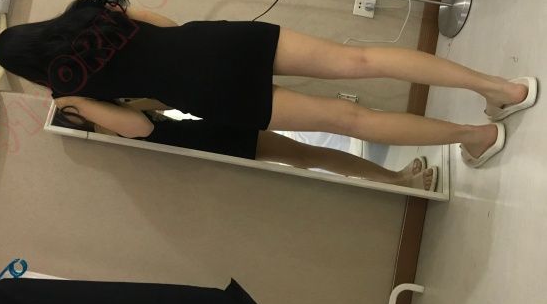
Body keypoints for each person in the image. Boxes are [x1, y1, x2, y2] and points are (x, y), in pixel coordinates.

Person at [0, 0, 538, 169]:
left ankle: (478, 136)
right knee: (362, 60)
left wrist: (121, 98)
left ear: (29, 69)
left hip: (212, 93)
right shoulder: (91, 12)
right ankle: (503, 89)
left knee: (351, 119)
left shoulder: (69, 91)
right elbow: (168, 25)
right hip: (219, 42)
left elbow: (138, 128)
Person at [52, 100, 438, 190]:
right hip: (217, 145)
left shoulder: (117, 113)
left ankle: (394, 178)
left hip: (216, 134)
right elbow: (144, 120)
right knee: (307, 157)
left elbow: (164, 101)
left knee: (307, 155)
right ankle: (396, 181)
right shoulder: (116, 130)